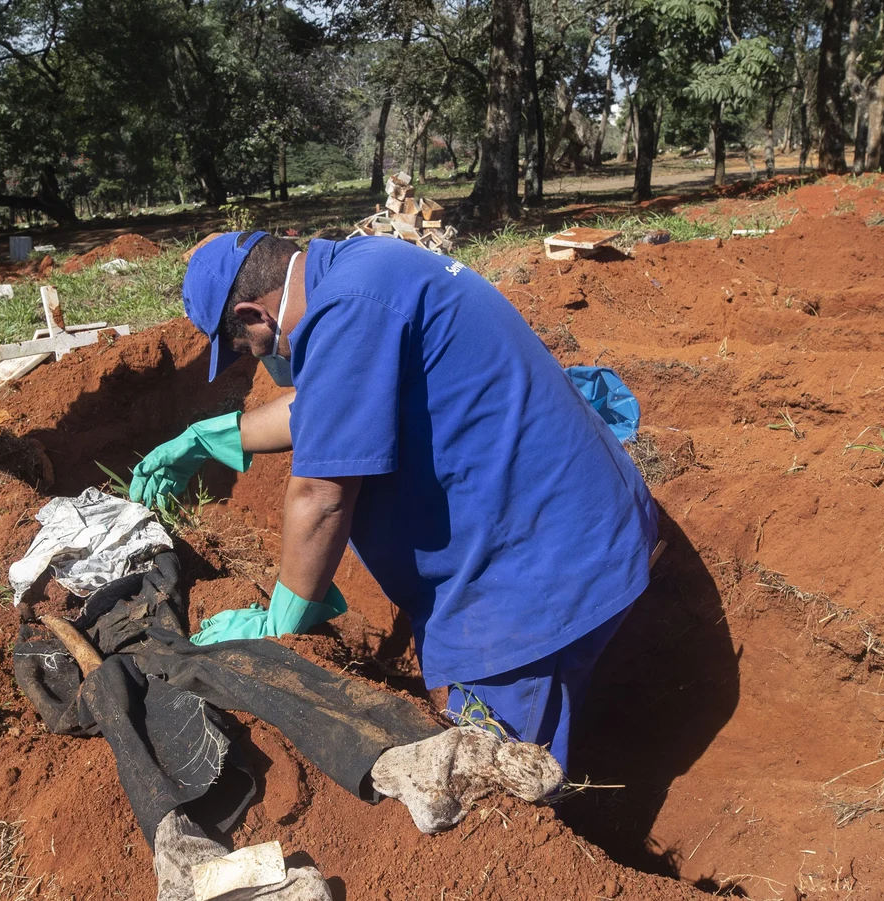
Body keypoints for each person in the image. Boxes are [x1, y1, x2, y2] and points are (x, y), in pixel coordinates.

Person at [128, 232, 657, 771]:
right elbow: (332, 402)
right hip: (583, 528)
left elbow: (321, 497)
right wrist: (210, 437)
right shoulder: (362, 267)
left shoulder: (347, 309)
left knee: (496, 786)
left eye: (250, 349)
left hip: (534, 584)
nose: (267, 361)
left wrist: (279, 623)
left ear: (253, 314)